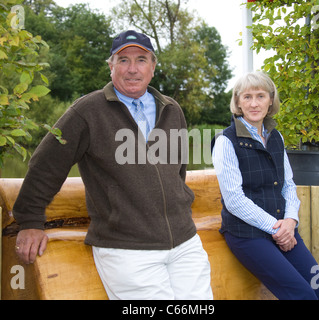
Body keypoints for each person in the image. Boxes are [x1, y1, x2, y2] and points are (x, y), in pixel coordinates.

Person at [13, 30, 213, 300]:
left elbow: (177, 171)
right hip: (128, 249)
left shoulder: (171, 109)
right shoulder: (87, 111)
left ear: (153, 67)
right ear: (111, 67)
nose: (132, 69)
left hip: (185, 242)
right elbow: (45, 165)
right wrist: (30, 221)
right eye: (123, 60)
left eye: (141, 60)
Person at [211, 71, 319, 300]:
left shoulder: (276, 137)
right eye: (247, 97)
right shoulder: (225, 142)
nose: (254, 103)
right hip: (248, 236)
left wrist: (290, 221)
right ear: (237, 102)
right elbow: (234, 201)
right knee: (302, 295)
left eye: (260, 96)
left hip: (283, 229)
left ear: (271, 100)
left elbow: (288, 185)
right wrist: (278, 228)